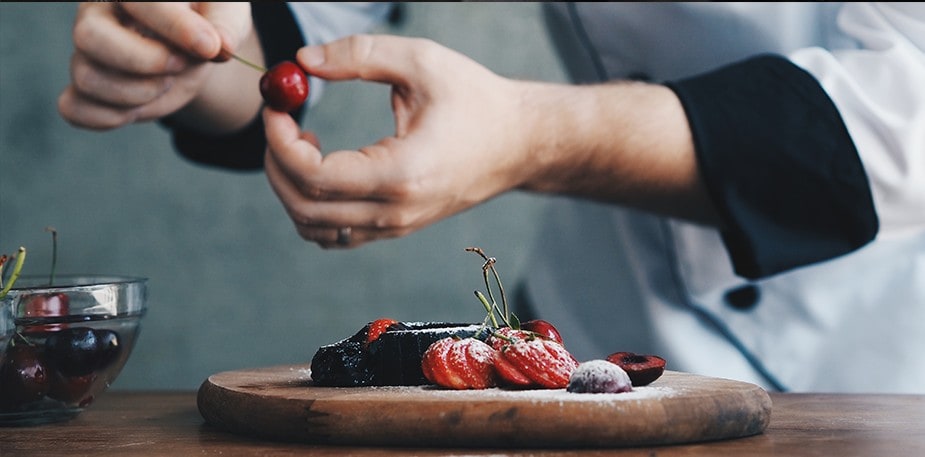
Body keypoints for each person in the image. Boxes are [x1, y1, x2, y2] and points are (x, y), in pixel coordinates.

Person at [58, 2, 925, 394]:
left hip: (873, 373)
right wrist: (192, 48)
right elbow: (273, 36)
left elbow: (905, 112)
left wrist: (533, 136)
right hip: (581, 348)